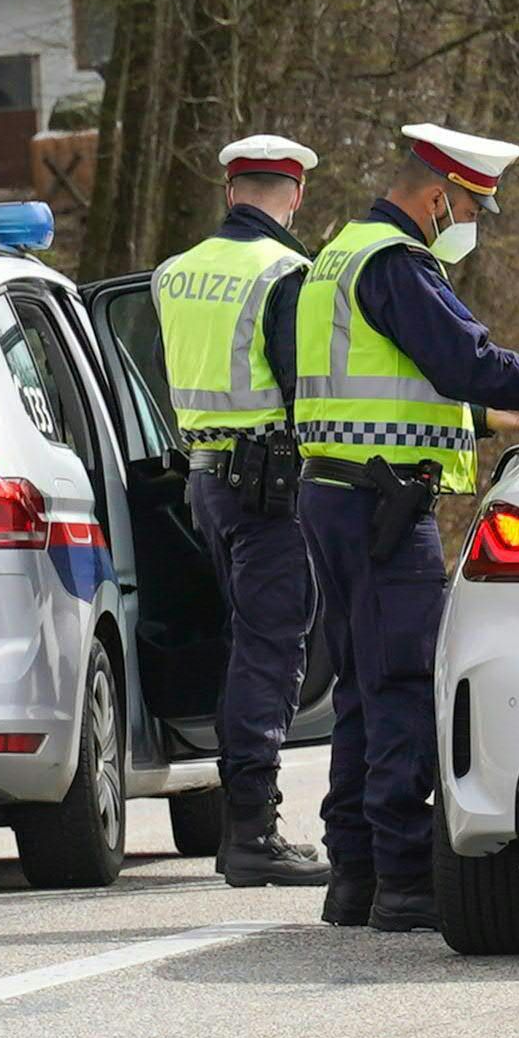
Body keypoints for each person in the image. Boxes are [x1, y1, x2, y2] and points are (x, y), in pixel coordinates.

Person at [294, 123, 519, 932]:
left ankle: (354, 877)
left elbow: (383, 392)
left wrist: (480, 422)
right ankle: (406, 881)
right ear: (440, 195)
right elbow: (465, 361)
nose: (472, 224)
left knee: (360, 691)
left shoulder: (336, 255)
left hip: (335, 493)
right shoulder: (397, 264)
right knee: (404, 687)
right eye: (474, 206)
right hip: (385, 508)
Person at [151, 135, 332, 887]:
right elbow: (304, 390)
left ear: (231, 192)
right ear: (294, 196)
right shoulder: (286, 272)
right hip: (271, 485)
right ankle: (252, 831)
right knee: (269, 650)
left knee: (243, 642)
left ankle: (246, 821)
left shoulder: (173, 273)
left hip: (204, 482)